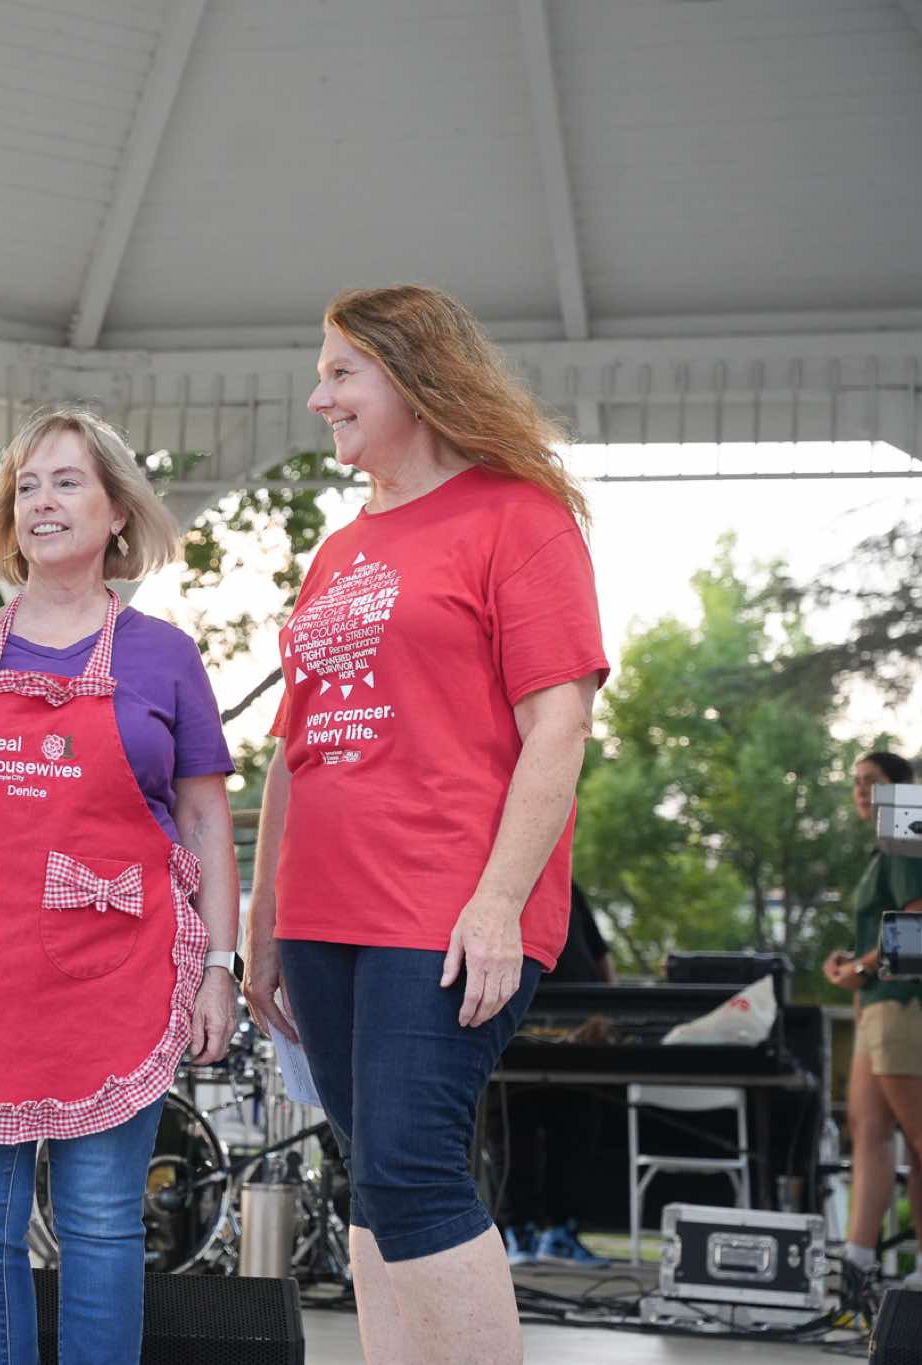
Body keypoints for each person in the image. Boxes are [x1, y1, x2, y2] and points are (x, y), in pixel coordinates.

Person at [242, 285, 607, 1365]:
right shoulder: (337, 551)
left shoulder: (518, 517)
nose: (319, 399)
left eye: (340, 374)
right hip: (322, 913)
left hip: (442, 905)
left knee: (409, 1165)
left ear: (413, 376)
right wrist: (263, 920)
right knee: (374, 1174)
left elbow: (559, 726)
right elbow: (293, 751)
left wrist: (497, 903)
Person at [0, 405, 242, 1365]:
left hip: (119, 977)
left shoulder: (165, 655)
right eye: (26, 485)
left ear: (117, 511)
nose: (41, 501)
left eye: (67, 481)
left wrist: (220, 965)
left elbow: (205, 821)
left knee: (102, 1223)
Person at [824, 750, 922, 1292]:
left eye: (874, 781)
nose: (862, 790)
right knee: (868, 1132)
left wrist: (860, 968)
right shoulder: (885, 850)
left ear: (903, 789)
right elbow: (890, 933)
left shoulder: (909, 840)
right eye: (856, 782)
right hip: (884, 1003)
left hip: (914, 1004)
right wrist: (856, 966)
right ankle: (858, 1263)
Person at [499, 882, 615, 1269]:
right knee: (514, 1135)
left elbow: (599, 954)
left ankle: (562, 1233)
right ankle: (519, 1231)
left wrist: (610, 1010)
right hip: (516, 1032)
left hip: (580, 1034)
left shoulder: (568, 886)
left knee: (576, 1133)